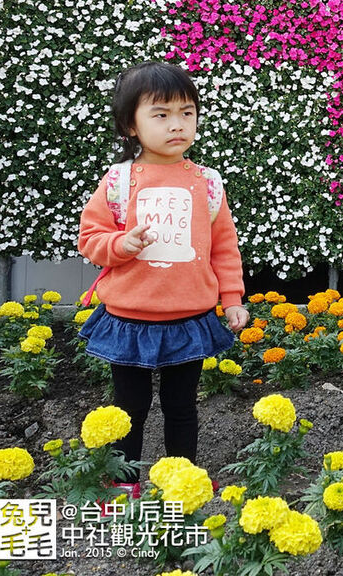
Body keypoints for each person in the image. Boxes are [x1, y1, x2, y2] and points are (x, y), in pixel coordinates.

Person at [78, 61, 247, 483]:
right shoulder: (119, 181)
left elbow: (224, 249)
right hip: (129, 318)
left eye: (186, 113)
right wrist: (120, 245)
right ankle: (123, 484)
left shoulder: (207, 184)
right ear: (130, 126)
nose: (177, 125)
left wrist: (231, 300)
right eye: (161, 114)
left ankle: (182, 482)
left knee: (182, 406)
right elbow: (90, 237)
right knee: (128, 409)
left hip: (188, 318)